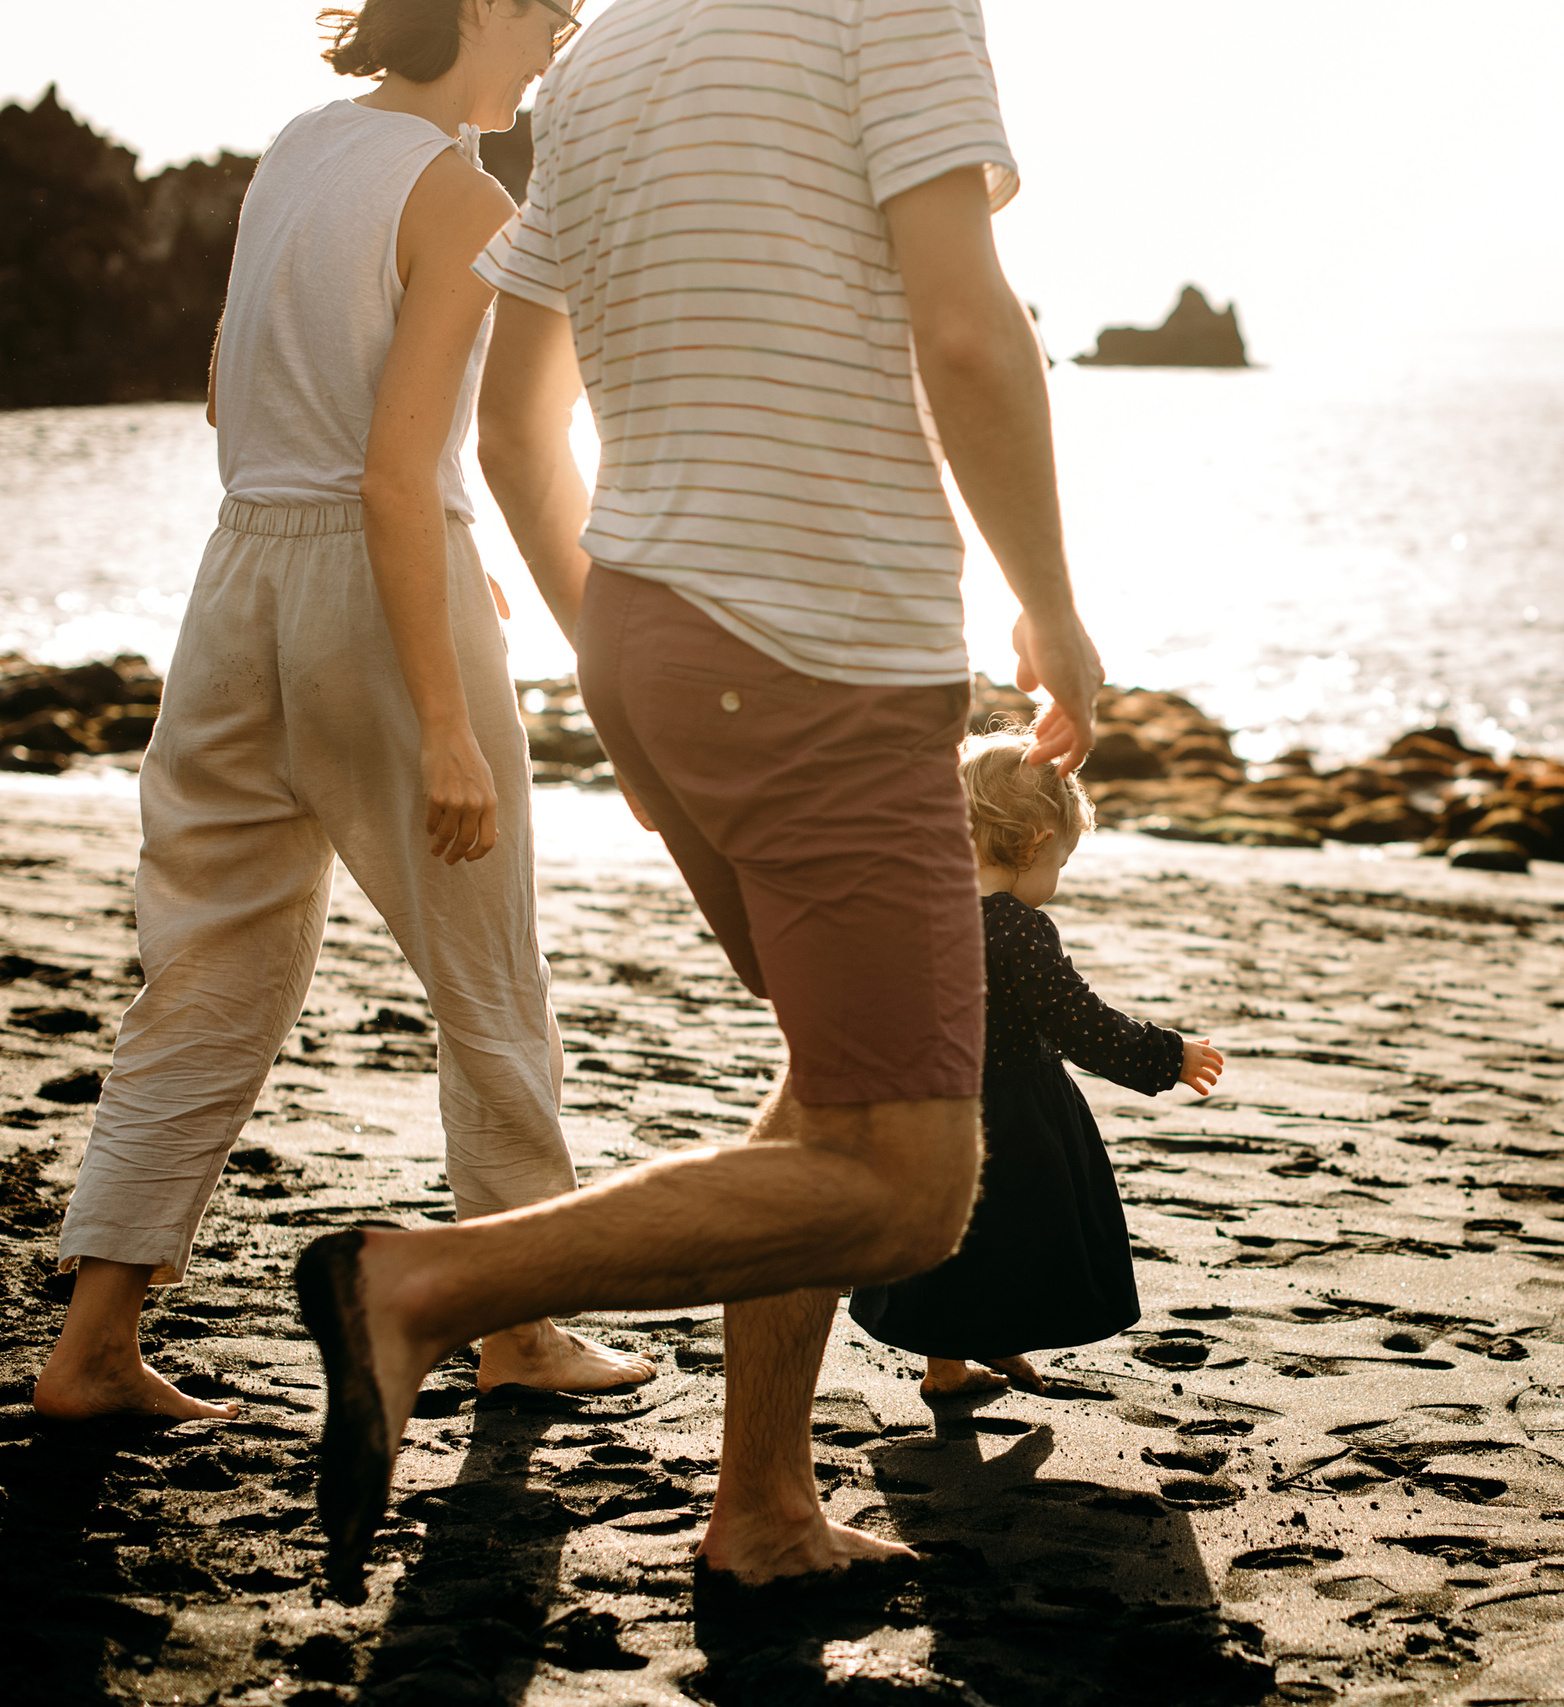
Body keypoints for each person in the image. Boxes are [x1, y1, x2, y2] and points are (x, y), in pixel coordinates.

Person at [290, 0, 1108, 1599]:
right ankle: (415, 1284)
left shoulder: (607, 54)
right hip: (823, 655)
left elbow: (520, 429)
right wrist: (1052, 606)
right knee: (910, 1189)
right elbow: (967, 326)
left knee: (836, 1082)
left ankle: (762, 1504)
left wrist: (627, 644)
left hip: (652, 643)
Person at [34, 0, 652, 1424]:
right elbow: (391, 471)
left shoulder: (299, 149)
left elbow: (222, 390)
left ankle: (93, 1346)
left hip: (237, 576)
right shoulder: (463, 193)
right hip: (376, 594)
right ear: (482, 4)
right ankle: (520, 1327)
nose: (560, 34)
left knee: (204, 970)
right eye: (550, 8)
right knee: (487, 974)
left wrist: (427, 532)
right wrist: (440, 717)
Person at [848, 733, 1222, 1398]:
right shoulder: (1019, 928)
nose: (1057, 877)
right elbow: (1081, 1023)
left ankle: (949, 1363)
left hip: (927, 1104)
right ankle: (979, 1342)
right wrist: (1168, 1055)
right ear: (1030, 844)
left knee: (945, 1234)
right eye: (1061, 860)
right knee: (1014, 1235)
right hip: (1013, 1114)